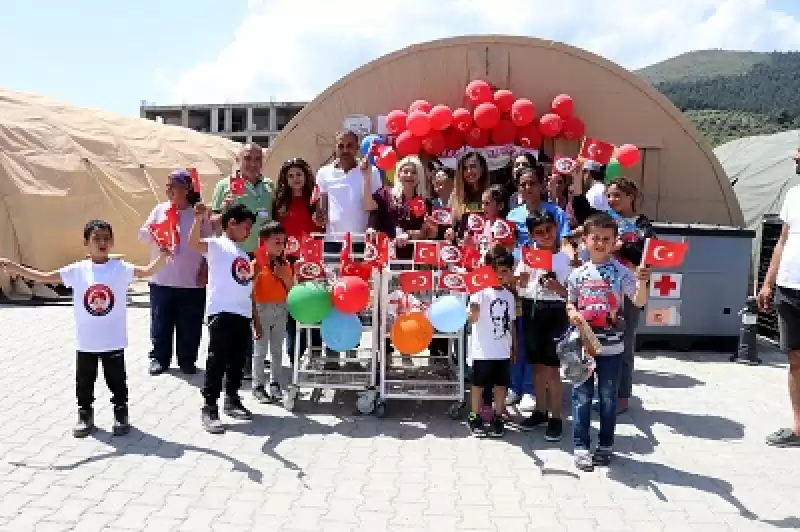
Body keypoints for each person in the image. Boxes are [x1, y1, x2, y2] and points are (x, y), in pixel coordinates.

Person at [0, 220, 169, 438]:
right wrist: (15, 268)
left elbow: (146, 271)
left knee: (117, 380)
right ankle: (85, 413)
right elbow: (44, 276)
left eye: (106, 238)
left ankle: (121, 412)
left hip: (113, 340)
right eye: (96, 238)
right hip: (87, 341)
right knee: (84, 381)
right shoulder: (77, 270)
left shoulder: (120, 268)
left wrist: (163, 256)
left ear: (112, 241)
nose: (102, 242)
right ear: (86, 243)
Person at [566, 212, 651, 471]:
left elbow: (638, 301)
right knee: (581, 397)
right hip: (584, 347)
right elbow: (571, 302)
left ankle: (605, 445)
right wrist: (572, 313)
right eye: (596, 238)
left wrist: (643, 282)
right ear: (585, 241)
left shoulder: (622, 272)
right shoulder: (577, 274)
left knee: (607, 398)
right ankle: (581, 447)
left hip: (613, 348)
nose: (601, 243)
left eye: (606, 238)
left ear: (615, 242)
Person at [188, 202, 257, 434]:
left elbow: (249, 288)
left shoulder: (245, 256)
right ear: (231, 224)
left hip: (243, 314)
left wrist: (254, 318)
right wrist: (199, 219)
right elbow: (193, 243)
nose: (248, 231)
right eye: (245, 226)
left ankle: (232, 398)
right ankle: (209, 406)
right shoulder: (218, 245)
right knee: (217, 360)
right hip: (221, 313)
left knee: (237, 361)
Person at [209, 143, 273, 379]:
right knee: (237, 308)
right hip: (234, 257)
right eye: (248, 158)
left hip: (261, 256)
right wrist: (223, 210)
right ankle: (234, 363)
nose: (253, 163)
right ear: (238, 160)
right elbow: (212, 223)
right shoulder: (224, 186)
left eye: (257, 159)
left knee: (258, 307)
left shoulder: (269, 187)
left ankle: (252, 358)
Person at [139, 169, 210, 376]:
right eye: (168, 185)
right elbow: (143, 235)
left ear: (187, 189)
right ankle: (159, 359)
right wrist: (157, 232)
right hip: (162, 279)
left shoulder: (199, 213)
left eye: (174, 185)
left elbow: (208, 245)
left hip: (191, 281)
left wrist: (205, 270)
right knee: (160, 322)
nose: (169, 189)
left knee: (190, 324)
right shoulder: (160, 209)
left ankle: (187, 360)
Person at [516, 210, 573, 441]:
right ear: (532, 236)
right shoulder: (527, 257)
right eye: (539, 232)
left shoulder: (564, 259)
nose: (545, 235)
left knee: (552, 369)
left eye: (549, 229)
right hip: (532, 310)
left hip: (555, 312)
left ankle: (556, 417)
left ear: (556, 229)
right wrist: (519, 281)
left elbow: (573, 293)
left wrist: (558, 289)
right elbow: (520, 286)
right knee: (537, 366)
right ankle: (540, 411)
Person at [606, 177, 657, 413]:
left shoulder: (642, 225)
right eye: (609, 195)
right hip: (602, 289)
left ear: (631, 197)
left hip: (629, 291)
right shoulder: (605, 221)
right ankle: (604, 392)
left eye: (617, 195)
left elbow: (648, 256)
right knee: (601, 342)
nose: (612, 199)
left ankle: (622, 396)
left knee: (625, 344)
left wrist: (622, 247)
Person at [757, 182, 800, 447]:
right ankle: (798, 427)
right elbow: (783, 240)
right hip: (789, 289)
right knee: (795, 359)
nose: (796, 157)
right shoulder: (794, 193)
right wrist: (768, 282)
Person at [272, 158, 323, 363]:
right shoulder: (280, 203)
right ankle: (294, 353)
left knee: (316, 304)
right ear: (285, 178)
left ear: (306, 176)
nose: (295, 179)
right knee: (293, 306)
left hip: (313, 260)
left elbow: (323, 227)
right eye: (291, 175)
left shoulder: (316, 200)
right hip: (289, 261)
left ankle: (317, 351)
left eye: (299, 175)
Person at [466, 245, 517, 438]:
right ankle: (474, 416)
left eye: (505, 271)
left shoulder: (509, 296)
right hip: (483, 350)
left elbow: (511, 324)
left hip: (502, 350)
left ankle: (498, 416)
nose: (502, 275)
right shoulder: (479, 292)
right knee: (478, 385)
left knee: (501, 385)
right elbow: (471, 320)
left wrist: (514, 346)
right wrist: (474, 311)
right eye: (498, 271)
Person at [315, 130, 382, 252]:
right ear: (335, 148)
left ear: (357, 148)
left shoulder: (371, 171)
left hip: (362, 241)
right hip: (333, 242)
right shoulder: (323, 173)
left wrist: (372, 228)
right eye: (341, 146)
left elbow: (377, 205)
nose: (345, 150)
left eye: (349, 145)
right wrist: (319, 216)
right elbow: (322, 207)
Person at [251, 221, 294, 404]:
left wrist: (284, 276)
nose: (281, 246)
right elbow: (250, 293)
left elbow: (292, 289)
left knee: (277, 350)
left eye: (283, 242)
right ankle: (258, 386)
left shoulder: (284, 264)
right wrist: (255, 318)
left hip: (281, 308)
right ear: (264, 242)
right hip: (262, 309)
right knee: (260, 351)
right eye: (277, 242)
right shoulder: (256, 265)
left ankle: (275, 384)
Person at [368, 155, 435, 259]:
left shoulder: (425, 202)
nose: (409, 175)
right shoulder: (384, 194)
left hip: (413, 258)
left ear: (419, 177)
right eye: (405, 171)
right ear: (398, 174)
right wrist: (371, 228)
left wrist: (409, 235)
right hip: (386, 255)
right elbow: (373, 214)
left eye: (414, 172)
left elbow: (425, 232)